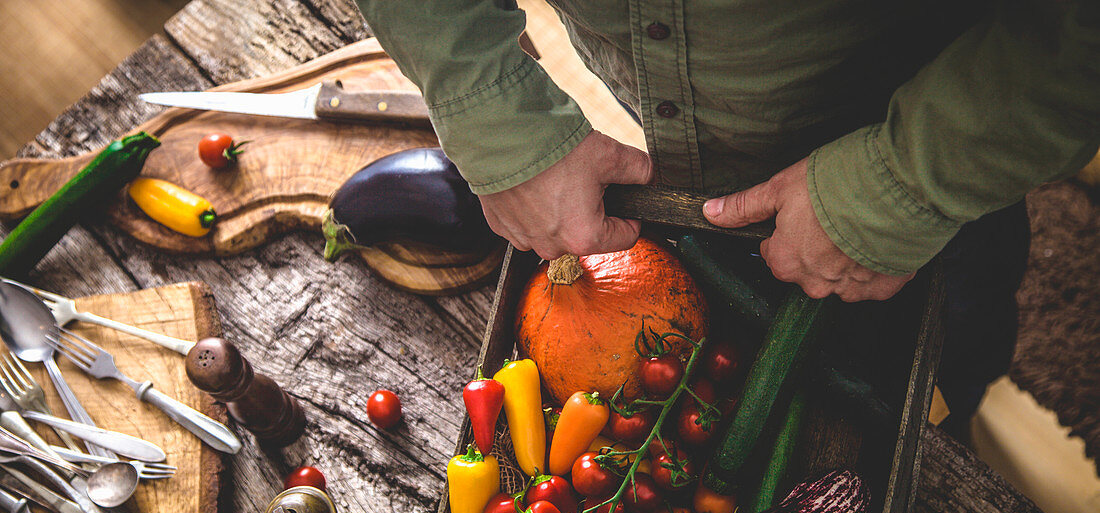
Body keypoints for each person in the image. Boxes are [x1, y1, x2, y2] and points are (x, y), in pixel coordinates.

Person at [355, 0, 1099, 432]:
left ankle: (957, 416)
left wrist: (904, 185)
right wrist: (490, 110)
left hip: (930, 129)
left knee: (960, 332)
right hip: (667, 122)